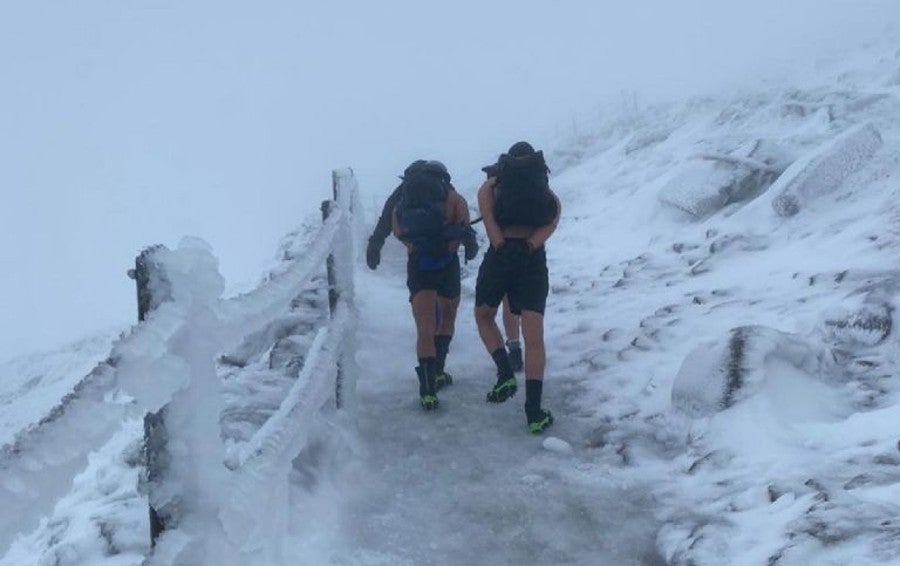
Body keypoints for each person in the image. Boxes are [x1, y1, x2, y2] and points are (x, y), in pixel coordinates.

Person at [474, 141, 561, 433]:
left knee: (484, 315)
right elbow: (551, 221)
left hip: (500, 257)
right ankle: (534, 412)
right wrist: (530, 245)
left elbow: (487, 217)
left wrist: (500, 245)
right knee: (534, 336)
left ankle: (504, 372)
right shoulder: (546, 193)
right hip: (532, 259)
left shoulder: (492, 187)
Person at [388, 160, 475, 409]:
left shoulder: (404, 202)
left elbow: (398, 231)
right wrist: (449, 247)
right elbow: (464, 228)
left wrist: (414, 247)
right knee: (447, 317)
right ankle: (438, 371)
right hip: (447, 263)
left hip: (419, 264)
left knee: (424, 325)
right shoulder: (454, 198)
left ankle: (426, 390)